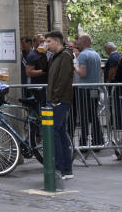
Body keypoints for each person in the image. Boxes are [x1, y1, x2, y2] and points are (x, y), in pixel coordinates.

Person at [45, 30, 74, 180]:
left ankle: (59, 167)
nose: (47, 45)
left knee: (55, 131)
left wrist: (55, 99)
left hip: (60, 100)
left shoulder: (65, 56)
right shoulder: (55, 57)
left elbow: (62, 79)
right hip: (57, 99)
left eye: (49, 41)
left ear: (57, 41)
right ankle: (66, 169)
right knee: (61, 132)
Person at [73, 35, 103, 147]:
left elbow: (83, 73)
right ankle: (98, 140)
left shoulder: (83, 55)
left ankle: (83, 142)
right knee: (93, 115)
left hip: (84, 90)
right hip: (95, 89)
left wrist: (75, 66)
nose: (77, 44)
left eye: (79, 41)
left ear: (85, 42)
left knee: (84, 117)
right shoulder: (96, 54)